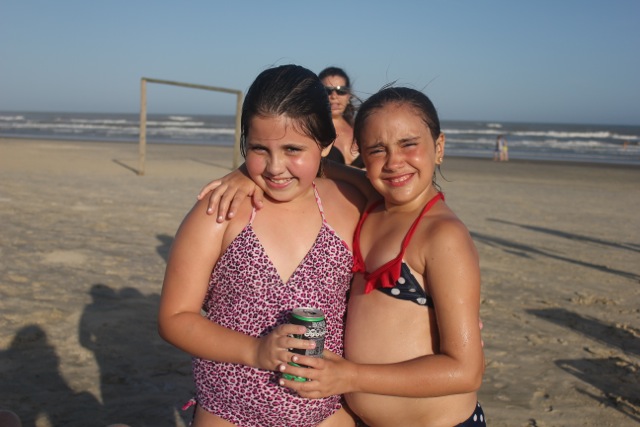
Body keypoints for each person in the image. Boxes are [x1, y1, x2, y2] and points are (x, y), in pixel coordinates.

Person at [199, 88, 486, 426]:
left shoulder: (443, 236)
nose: (394, 162)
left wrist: (350, 377)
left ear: (438, 147)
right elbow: (312, 163)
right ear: (359, 152)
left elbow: (466, 371)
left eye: (409, 144)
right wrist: (245, 172)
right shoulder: (371, 203)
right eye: (377, 149)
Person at [158, 64, 366, 427]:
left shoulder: (349, 206)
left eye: (293, 149)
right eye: (258, 149)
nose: (275, 167)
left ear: (326, 143)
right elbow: (175, 318)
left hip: (325, 413)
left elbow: (405, 198)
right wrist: (255, 350)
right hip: (229, 412)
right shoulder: (219, 211)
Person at [318, 67, 364, 168]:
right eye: (327, 91)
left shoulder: (362, 129)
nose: (334, 96)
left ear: (348, 95)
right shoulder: (311, 132)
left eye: (341, 90)